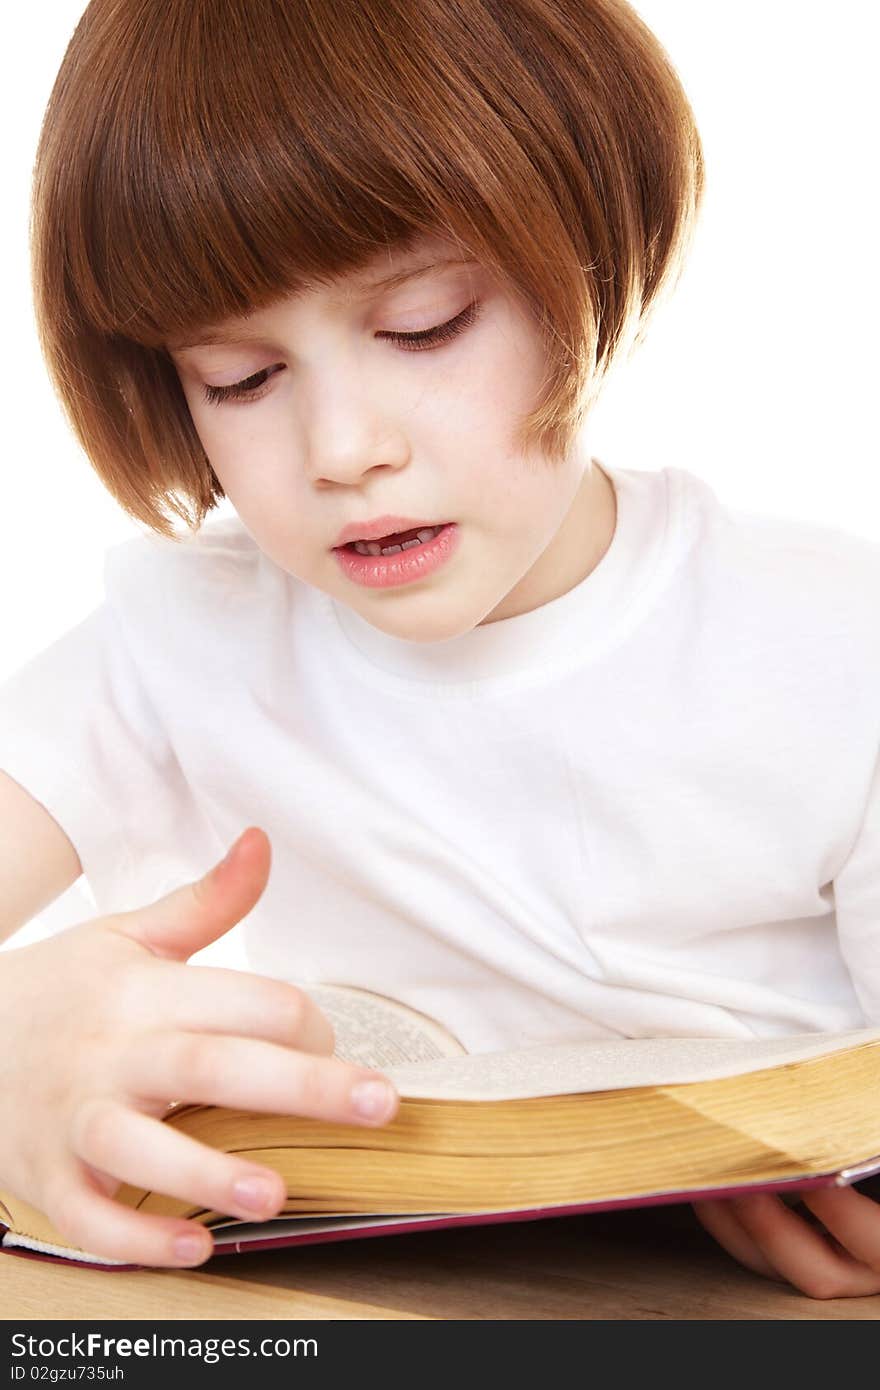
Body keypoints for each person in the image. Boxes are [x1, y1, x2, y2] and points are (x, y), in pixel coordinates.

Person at [1, 0, 878, 1299]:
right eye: (239, 377)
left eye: (422, 324)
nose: (341, 448)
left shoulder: (829, 639)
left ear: (590, 253)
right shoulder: (180, 641)